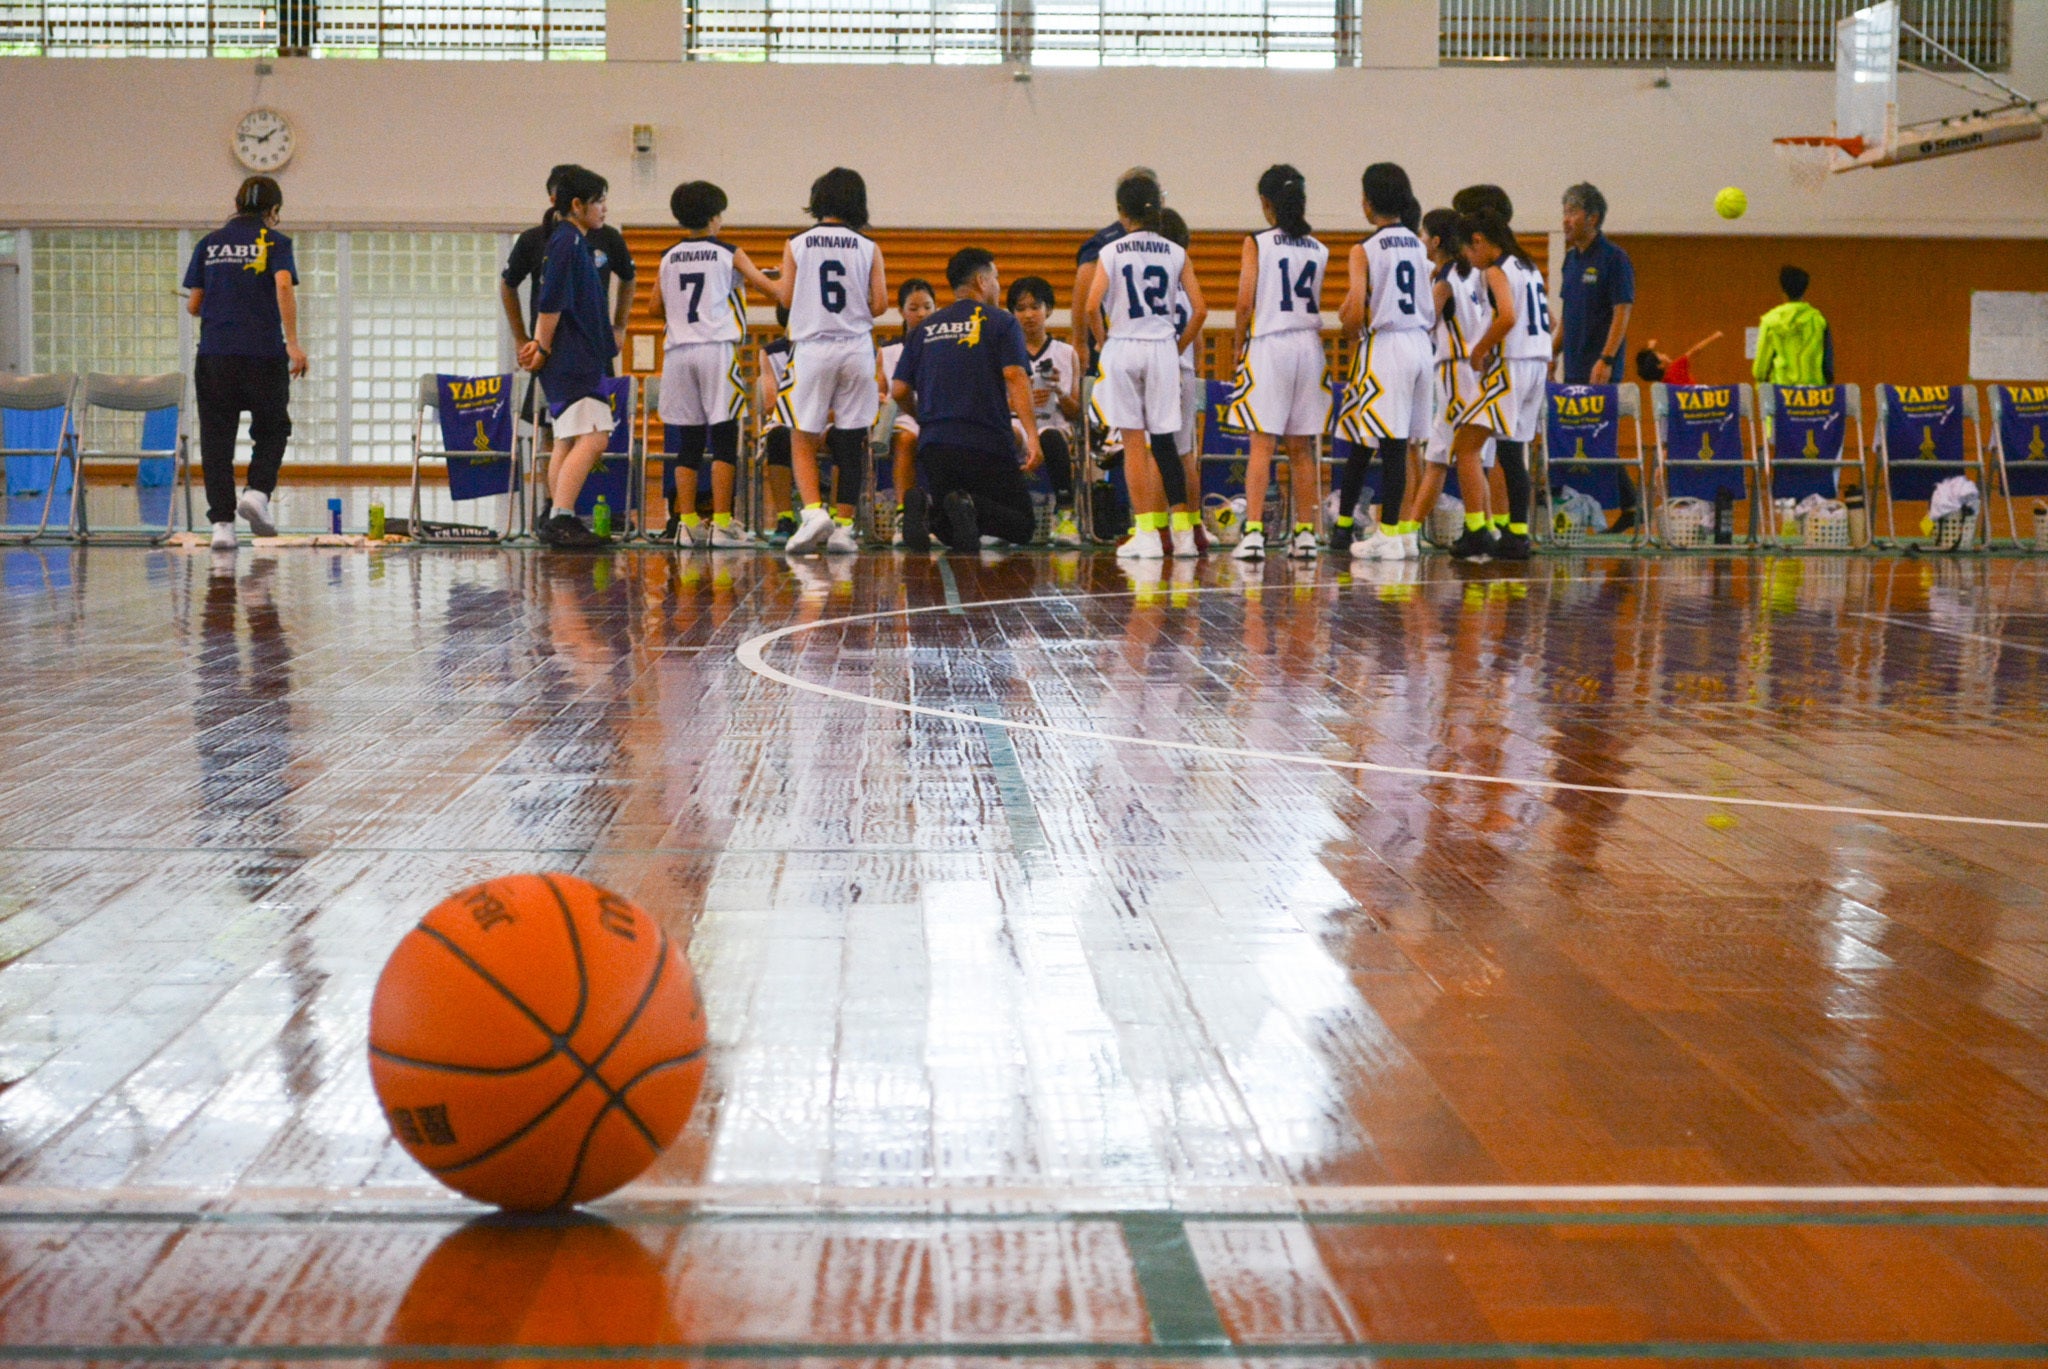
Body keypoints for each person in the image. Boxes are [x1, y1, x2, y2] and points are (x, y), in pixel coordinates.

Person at [182, 175, 309, 552]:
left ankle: (222, 526)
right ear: (274, 210)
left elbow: (194, 304)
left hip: (216, 355)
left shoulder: (209, 244)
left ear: (237, 204)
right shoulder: (274, 241)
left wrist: (218, 301)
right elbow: (282, 285)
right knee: (272, 428)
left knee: (216, 440)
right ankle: (256, 493)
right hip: (263, 354)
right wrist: (294, 343)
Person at [766, 168, 889, 556]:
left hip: (813, 347)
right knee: (851, 438)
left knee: (801, 432)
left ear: (818, 199)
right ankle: (844, 529)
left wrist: (764, 278)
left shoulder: (797, 243)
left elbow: (786, 299)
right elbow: (880, 305)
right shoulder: (869, 246)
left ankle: (814, 513)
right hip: (856, 349)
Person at [1085, 174, 1207, 560]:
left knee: (1135, 444)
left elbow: (1090, 306)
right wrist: (1176, 347)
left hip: (1124, 346)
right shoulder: (1176, 252)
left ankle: (1146, 534)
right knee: (1168, 444)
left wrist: (1103, 341)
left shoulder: (1111, 251)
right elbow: (1200, 310)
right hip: (1161, 349)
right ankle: (1184, 535)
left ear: (1122, 212)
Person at [890, 248, 1043, 553]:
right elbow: (1015, 376)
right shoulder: (1002, 322)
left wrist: (922, 419)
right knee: (1022, 525)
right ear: (981, 281)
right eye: (996, 278)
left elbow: (898, 390)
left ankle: (925, 510)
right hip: (986, 441)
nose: (998, 286)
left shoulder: (924, 329)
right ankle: (964, 505)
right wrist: (1032, 435)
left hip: (935, 446)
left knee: (956, 530)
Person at [653, 180, 778, 548]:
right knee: (724, 439)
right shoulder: (728, 252)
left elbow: (655, 308)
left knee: (689, 442)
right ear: (713, 217)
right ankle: (722, 523)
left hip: (678, 354)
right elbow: (771, 290)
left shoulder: (668, 256)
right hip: (715, 350)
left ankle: (687, 524)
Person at [1228, 165, 1330, 562]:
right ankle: (1305, 535)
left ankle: (1254, 533)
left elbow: (1244, 302)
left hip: (1270, 343)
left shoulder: (1258, 242)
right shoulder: (1319, 248)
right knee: (1302, 447)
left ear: (1265, 202)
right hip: (1309, 345)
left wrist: (1239, 345)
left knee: (1262, 443)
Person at [517, 167, 620, 549]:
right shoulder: (567, 241)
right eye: (599, 201)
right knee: (595, 437)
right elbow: (551, 301)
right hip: (573, 357)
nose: (604, 208)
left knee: (566, 439)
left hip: (573, 355)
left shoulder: (570, 240)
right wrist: (542, 346)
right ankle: (562, 516)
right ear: (577, 205)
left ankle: (554, 517)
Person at [1337, 163, 1431, 562]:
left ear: (1368, 201)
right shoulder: (1419, 243)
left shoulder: (1365, 249)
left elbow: (1355, 313)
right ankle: (1401, 533)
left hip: (1388, 345)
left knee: (1389, 445)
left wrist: (1347, 322)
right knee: (1402, 443)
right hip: (1420, 344)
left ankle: (1389, 533)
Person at [500, 164, 635, 405]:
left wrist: (620, 326)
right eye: (598, 201)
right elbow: (546, 300)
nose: (603, 208)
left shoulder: (604, 236)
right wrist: (525, 338)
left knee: (594, 421)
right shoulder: (558, 239)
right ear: (565, 202)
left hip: (590, 346)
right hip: (557, 350)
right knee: (566, 421)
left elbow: (629, 277)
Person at [1461, 201, 1543, 561]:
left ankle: (1476, 530)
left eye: (1468, 249)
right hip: (1537, 364)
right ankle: (1517, 535)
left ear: (1479, 240)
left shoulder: (1496, 271)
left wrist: (1480, 349)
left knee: (1465, 445)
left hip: (1512, 364)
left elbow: (1507, 317)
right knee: (1512, 452)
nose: (1468, 258)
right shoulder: (1529, 266)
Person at [1556, 181, 1640, 527]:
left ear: (1592, 218)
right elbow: (1567, 315)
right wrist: (1551, 354)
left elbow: (1622, 311)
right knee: (1580, 440)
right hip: (1573, 366)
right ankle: (1625, 506)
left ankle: (1631, 506)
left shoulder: (1614, 258)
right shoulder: (1570, 259)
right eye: (1564, 212)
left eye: (1572, 212)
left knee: (1597, 439)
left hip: (1599, 368)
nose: (1565, 219)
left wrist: (1606, 358)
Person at [1006, 276, 1082, 545]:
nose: (1028, 315)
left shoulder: (1067, 352)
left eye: (1035, 307)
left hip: (1055, 425)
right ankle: (1001, 514)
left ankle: (1065, 514)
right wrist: (1019, 400)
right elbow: (992, 404)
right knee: (1002, 436)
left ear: (1048, 309)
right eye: (1021, 308)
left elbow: (1075, 413)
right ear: (1012, 314)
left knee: (1050, 436)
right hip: (1018, 425)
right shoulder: (1004, 352)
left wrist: (1057, 391)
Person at [1072, 166, 1160, 365]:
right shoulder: (1105, 243)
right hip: (1114, 342)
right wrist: (1080, 342)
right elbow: (1086, 294)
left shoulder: (1165, 239)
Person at [877, 278, 938, 543]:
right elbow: (879, 390)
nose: (922, 313)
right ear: (901, 311)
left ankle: (946, 514)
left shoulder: (945, 347)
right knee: (906, 439)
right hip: (902, 417)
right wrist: (879, 397)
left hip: (937, 416)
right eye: (914, 308)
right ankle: (904, 515)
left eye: (927, 307)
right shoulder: (888, 351)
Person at [754, 306, 797, 542]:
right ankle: (785, 517)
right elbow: (771, 405)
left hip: (824, 421)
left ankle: (836, 520)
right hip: (788, 419)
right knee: (778, 437)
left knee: (844, 435)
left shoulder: (828, 347)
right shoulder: (772, 353)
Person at [1753, 266, 1833, 385]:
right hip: (1814, 391)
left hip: (1781, 391)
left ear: (1783, 290)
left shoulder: (1770, 321)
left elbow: (1760, 369)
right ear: (1804, 290)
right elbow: (1827, 365)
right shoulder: (1818, 320)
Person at [1637, 331, 1723, 386]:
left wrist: (1650, 347)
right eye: (1660, 354)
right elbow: (1695, 350)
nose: (1663, 354)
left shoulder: (1662, 383)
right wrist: (1714, 336)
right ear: (1661, 365)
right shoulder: (1677, 366)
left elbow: (1646, 368)